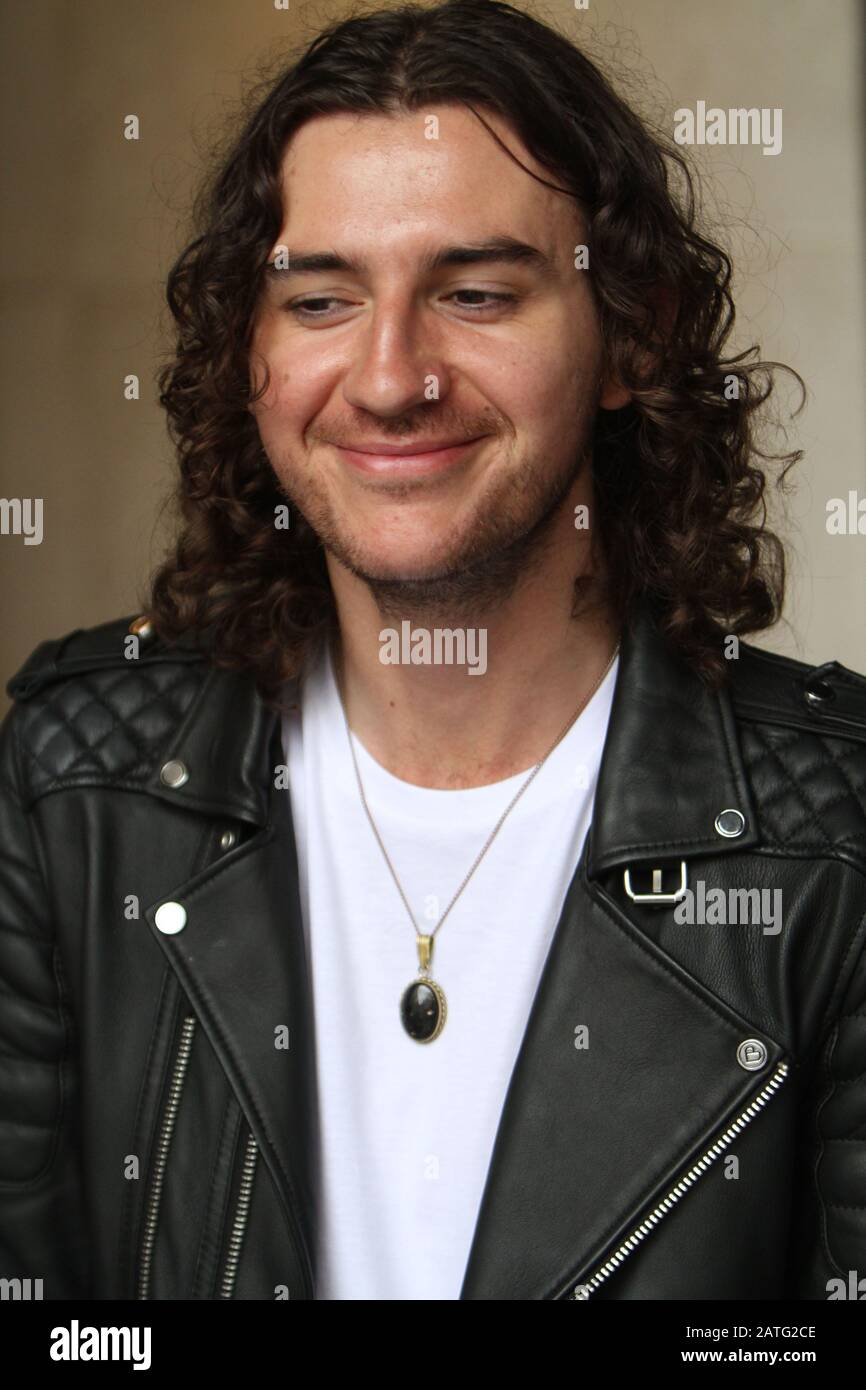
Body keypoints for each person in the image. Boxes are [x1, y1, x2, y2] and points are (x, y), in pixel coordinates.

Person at [1, 0, 864, 1302]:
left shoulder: (834, 845)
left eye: (473, 293)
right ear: (252, 348)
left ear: (632, 333)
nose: (391, 374)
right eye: (320, 298)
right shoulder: (75, 790)